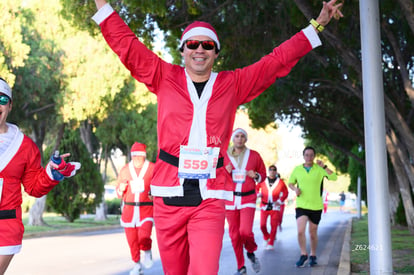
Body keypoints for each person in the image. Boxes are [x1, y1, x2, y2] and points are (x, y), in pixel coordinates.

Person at [91, 1, 343, 273]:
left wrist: (317, 24)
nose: (199, 50)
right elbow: (127, 46)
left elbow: (275, 61)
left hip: (210, 195)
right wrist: (102, 5)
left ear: (215, 53)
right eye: (193, 44)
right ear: (183, 50)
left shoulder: (232, 84)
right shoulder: (163, 75)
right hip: (167, 194)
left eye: (207, 45)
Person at [0, 78, 80, 275]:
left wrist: (51, 173)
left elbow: (34, 187)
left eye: (2, 99)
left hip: (5, 226)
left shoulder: (24, 146)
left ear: (10, 105)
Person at [288, 146, 338, 268]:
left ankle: (313, 255)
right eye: (307, 155)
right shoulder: (297, 169)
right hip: (302, 205)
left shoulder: (320, 169)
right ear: (303, 156)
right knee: (300, 231)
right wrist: (295, 189)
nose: (309, 157)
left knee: (312, 232)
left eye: (311, 155)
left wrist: (324, 166)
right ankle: (303, 254)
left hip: (316, 206)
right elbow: (290, 182)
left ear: (314, 156)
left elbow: (334, 177)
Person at [225, 128, 266, 275]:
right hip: (230, 199)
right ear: (232, 138)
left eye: (243, 136)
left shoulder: (254, 155)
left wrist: (255, 176)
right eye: (237, 136)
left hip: (248, 197)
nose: (240, 139)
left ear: (246, 139)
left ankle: (250, 251)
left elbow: (263, 174)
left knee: (245, 232)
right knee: (234, 235)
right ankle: (240, 266)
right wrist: (225, 172)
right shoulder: (224, 156)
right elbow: (215, 176)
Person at [116, 142, 155, 275]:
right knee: (132, 241)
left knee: (143, 236)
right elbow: (118, 190)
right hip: (129, 211)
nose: (137, 158)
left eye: (140, 155)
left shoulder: (152, 168)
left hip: (146, 210)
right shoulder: (125, 170)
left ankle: (147, 250)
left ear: (144, 156)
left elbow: (158, 187)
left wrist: (153, 194)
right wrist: (120, 189)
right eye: (135, 156)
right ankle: (137, 265)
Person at [256, 165, 288, 250]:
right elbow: (256, 188)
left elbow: (285, 193)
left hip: (275, 206)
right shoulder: (263, 180)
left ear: (276, 171)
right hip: (264, 205)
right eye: (271, 170)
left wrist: (280, 201)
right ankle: (267, 237)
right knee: (262, 225)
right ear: (268, 171)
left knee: (273, 225)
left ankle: (271, 243)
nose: (272, 171)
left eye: (274, 170)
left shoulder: (280, 182)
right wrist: (257, 194)